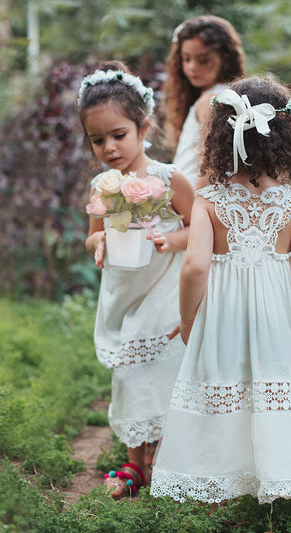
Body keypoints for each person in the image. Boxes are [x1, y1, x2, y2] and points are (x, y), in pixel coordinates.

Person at [150, 76, 291, 532]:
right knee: (283, 393)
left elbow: (195, 267)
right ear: (287, 140)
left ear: (220, 138)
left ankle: (215, 491)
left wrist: (187, 316)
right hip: (279, 316)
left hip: (223, 315)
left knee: (224, 388)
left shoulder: (209, 201)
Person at [79, 61, 195, 497]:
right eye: (97, 140)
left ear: (143, 127)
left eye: (118, 135)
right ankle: (135, 464)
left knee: (164, 367)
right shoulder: (103, 185)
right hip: (124, 292)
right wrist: (101, 245)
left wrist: (172, 238)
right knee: (128, 372)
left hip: (165, 289)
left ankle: (167, 451)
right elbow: (92, 237)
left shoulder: (168, 180)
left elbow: (199, 228)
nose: (109, 148)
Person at [163, 15, 245, 188]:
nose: (192, 67)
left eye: (203, 60)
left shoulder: (211, 102)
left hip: (192, 198)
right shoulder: (226, 96)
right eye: (186, 59)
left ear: (225, 59)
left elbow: (212, 163)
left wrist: (198, 208)